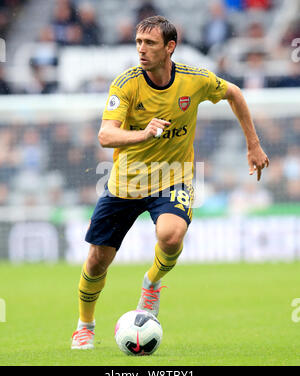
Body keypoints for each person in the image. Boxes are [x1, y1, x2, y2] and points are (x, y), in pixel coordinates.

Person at [71, 15, 269, 350]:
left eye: (149, 43)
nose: (141, 50)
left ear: (170, 47)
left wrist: (253, 143)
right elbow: (105, 135)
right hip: (126, 182)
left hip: (172, 177)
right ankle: (85, 325)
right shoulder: (127, 83)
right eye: (138, 42)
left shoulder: (194, 80)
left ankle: (151, 284)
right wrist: (143, 132)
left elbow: (234, 93)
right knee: (96, 260)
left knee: (171, 235)